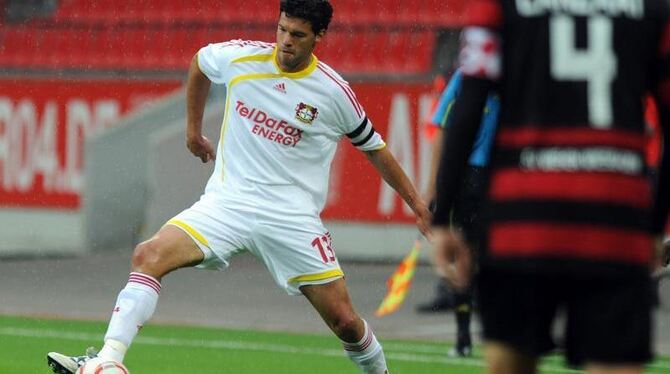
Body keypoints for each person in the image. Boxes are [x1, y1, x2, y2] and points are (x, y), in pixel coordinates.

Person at [46, 1, 431, 373]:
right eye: (282, 29)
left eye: (297, 34)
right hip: (228, 203)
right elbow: (199, 62)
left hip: (291, 218)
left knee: (346, 322)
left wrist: (416, 204)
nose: (285, 41)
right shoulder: (241, 58)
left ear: (319, 36)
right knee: (149, 254)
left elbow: (375, 149)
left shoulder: (333, 92)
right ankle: (107, 360)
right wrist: (193, 131)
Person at [432, 1, 669, 373]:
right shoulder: (653, 7)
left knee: (512, 362)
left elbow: (468, 104)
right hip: (614, 222)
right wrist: (655, 226)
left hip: (522, 221)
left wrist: (441, 217)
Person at [417, 69, 499, 358]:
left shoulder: (472, 74)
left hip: (495, 175)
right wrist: (432, 188)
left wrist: (433, 188)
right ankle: (467, 334)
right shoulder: (473, 75)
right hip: (482, 176)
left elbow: (443, 127)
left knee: (475, 256)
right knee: (472, 255)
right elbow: (443, 127)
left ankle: (470, 336)